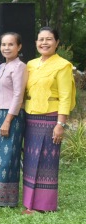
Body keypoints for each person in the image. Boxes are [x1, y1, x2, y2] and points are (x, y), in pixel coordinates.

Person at [23, 27, 74, 213]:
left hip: (50, 118)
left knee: (46, 161)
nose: (44, 43)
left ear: (57, 42)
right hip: (30, 116)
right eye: (41, 39)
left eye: (49, 39)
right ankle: (29, 203)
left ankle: (44, 205)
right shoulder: (30, 64)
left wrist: (60, 124)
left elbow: (65, 96)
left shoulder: (63, 65)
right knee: (29, 160)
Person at [0, 32, 27, 208]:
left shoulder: (20, 67)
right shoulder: (2, 66)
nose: (6, 48)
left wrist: (8, 120)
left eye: (11, 44)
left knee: (7, 156)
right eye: (3, 44)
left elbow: (18, 95)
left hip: (12, 116)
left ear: (19, 47)